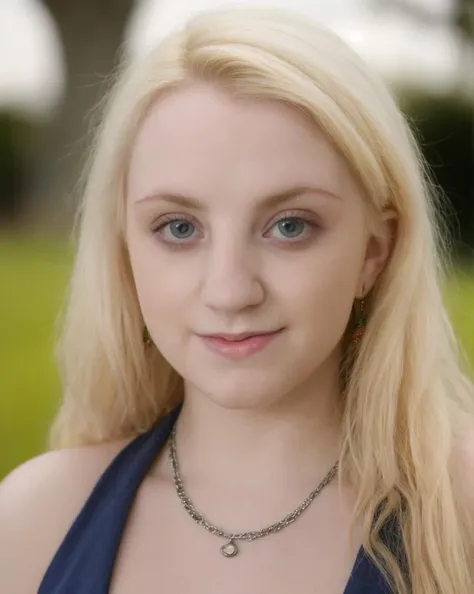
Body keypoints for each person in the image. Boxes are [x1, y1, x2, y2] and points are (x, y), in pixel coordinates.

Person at [1, 5, 473, 593]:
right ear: (124, 252)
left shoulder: (462, 516)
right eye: (178, 228)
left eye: (290, 226)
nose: (229, 291)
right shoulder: (33, 522)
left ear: (375, 252)